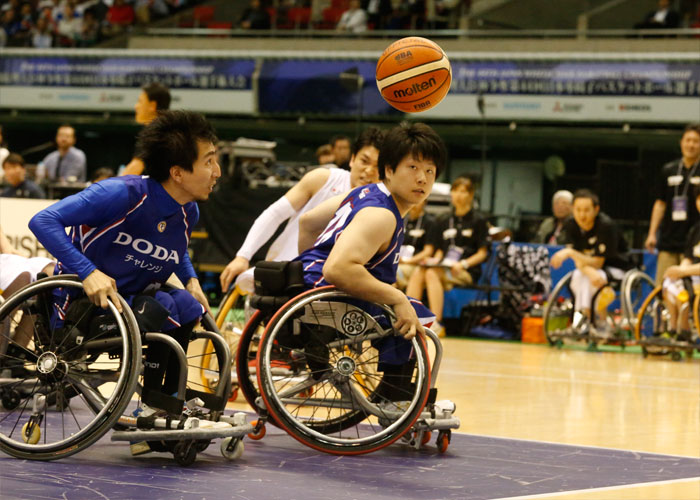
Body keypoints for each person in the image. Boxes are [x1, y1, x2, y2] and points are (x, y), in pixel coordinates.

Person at [29, 110, 220, 416]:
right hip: (83, 302)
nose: (217, 171)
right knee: (160, 308)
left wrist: (191, 280)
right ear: (178, 173)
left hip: (131, 298)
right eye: (208, 161)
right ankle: (153, 407)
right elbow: (43, 220)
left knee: (187, 305)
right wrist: (88, 272)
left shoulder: (187, 211)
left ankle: (163, 403)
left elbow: (173, 246)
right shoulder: (120, 194)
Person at [295, 122, 445, 402]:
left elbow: (307, 222)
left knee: (404, 306)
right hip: (326, 288)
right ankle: (394, 395)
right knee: (418, 315)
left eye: (430, 171)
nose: (422, 178)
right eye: (413, 168)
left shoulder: (366, 193)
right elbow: (337, 268)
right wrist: (396, 298)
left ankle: (392, 390)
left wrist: (306, 265)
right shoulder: (382, 215)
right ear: (389, 169)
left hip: (310, 280)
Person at [219, 127, 385, 292]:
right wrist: (243, 256)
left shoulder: (381, 208)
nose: (369, 171)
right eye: (364, 161)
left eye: (377, 166)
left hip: (334, 287)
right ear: (352, 159)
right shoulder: (323, 179)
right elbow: (274, 214)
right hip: (283, 274)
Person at [550, 189, 631, 332]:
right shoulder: (570, 225)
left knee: (593, 277)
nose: (582, 215)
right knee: (578, 276)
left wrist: (570, 253)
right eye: (578, 210)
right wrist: (587, 269)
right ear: (572, 210)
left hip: (617, 268)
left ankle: (597, 321)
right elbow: (580, 260)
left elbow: (598, 263)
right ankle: (581, 321)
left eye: (587, 210)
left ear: (596, 209)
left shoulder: (606, 226)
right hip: (590, 269)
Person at [422, 176, 489, 335]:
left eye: (463, 191)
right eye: (455, 191)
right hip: (444, 266)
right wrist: (435, 260)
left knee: (431, 273)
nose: (458, 195)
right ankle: (411, 317)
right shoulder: (443, 219)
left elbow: (482, 253)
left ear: (471, 195)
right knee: (420, 272)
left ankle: (436, 324)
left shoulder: (479, 220)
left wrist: (463, 264)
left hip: (465, 270)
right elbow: (440, 250)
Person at [645, 123, 700, 286]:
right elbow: (660, 204)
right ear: (681, 142)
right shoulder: (668, 169)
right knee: (663, 287)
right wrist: (652, 233)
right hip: (669, 239)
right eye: (688, 140)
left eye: (696, 141)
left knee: (688, 289)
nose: (691, 145)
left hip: (695, 241)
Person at [660, 186, 700, 341]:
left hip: (695, 276)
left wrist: (684, 272)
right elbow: (688, 257)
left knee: (682, 284)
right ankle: (674, 327)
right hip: (693, 276)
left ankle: (683, 329)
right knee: (670, 281)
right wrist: (678, 270)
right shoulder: (696, 229)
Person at [120, 82, 171, 176]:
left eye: (140, 101)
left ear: (152, 105)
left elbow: (134, 169)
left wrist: (111, 187)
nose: (136, 106)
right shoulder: (169, 130)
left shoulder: (155, 134)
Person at [399, 197, 437, 292]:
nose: (414, 204)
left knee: (392, 274)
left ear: (424, 202)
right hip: (398, 261)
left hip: (415, 264)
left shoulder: (430, 222)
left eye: (418, 201)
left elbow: (428, 251)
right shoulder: (401, 219)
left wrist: (409, 261)